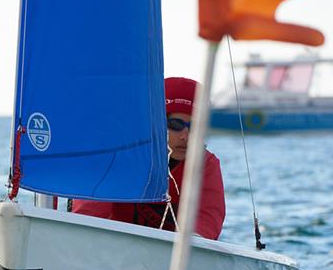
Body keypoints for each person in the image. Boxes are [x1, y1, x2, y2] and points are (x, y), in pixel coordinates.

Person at [73, 77, 225, 240]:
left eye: (195, 127)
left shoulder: (205, 165)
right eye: (175, 124)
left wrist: (195, 242)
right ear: (156, 122)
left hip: (173, 257)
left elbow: (207, 219)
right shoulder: (117, 155)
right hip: (113, 250)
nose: (185, 136)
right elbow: (88, 215)